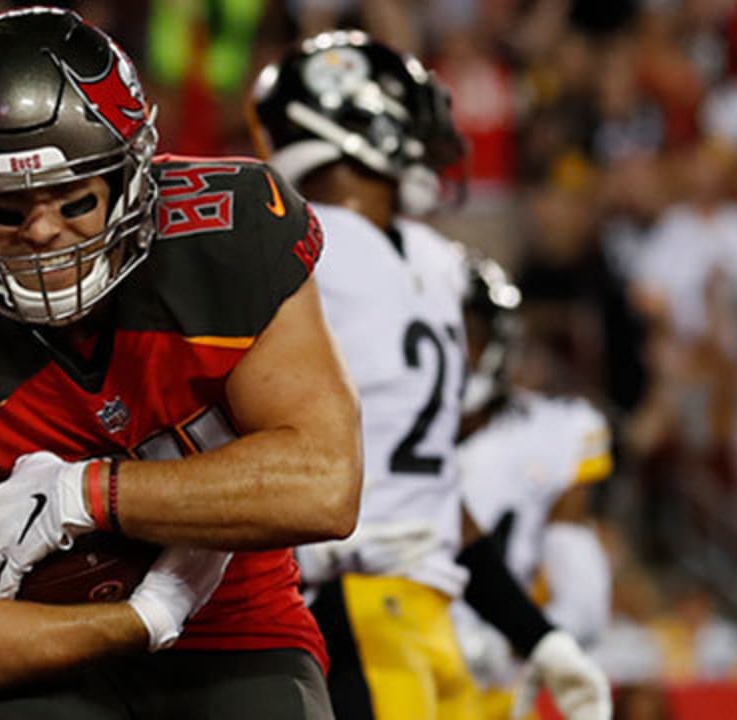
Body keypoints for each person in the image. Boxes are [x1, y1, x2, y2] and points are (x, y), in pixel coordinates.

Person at [0, 7, 362, 719]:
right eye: (8, 212)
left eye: (76, 198)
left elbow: (326, 484)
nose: (47, 230)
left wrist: (88, 493)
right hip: (28, 642)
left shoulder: (231, 237)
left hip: (232, 623)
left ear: (129, 178)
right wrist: (140, 619)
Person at [249, 31, 611, 720]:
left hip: (427, 611)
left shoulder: (437, 260)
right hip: (348, 601)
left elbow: (436, 493)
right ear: (355, 117)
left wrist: (537, 635)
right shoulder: (294, 244)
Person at [452, 256, 615, 718]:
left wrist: (513, 640)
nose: (453, 352)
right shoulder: (375, 430)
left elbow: (582, 595)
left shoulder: (557, 430)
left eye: (466, 334)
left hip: (493, 683)